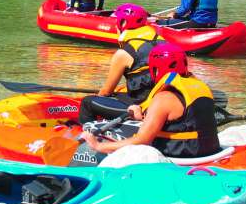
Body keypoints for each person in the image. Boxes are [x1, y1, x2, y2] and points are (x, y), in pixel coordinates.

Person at [73, 43, 221, 165]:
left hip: (184, 154)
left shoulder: (164, 97)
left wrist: (98, 146)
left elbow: (143, 140)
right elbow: (182, 120)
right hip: (210, 150)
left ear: (155, 69)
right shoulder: (200, 86)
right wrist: (143, 116)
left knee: (109, 137)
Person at [77, 3, 165, 124]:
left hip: (144, 106)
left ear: (123, 24)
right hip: (164, 100)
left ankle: (87, 136)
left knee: (87, 102)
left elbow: (106, 92)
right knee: (119, 92)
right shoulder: (162, 40)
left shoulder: (124, 53)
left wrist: (99, 95)